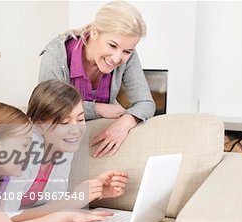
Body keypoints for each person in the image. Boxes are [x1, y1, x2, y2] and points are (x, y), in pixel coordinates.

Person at [39, 0, 155, 158]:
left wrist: (127, 121)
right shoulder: (55, 54)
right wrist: (98, 109)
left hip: (97, 146)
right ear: (94, 32)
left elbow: (146, 103)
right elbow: (49, 107)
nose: (116, 58)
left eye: (127, 51)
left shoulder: (129, 57)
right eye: (112, 45)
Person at [3, 79, 129, 219]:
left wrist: (95, 191)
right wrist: (74, 200)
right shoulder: (23, 150)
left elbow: (54, 205)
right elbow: (7, 216)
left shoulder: (63, 149)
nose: (76, 130)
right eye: (64, 122)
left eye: (80, 120)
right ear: (39, 125)